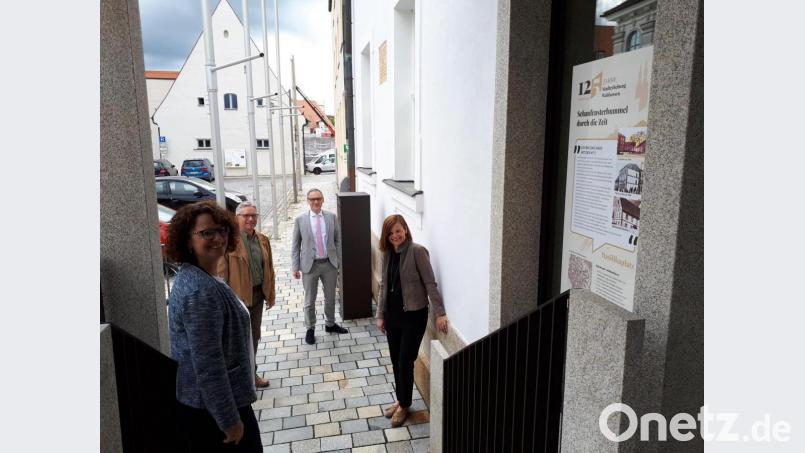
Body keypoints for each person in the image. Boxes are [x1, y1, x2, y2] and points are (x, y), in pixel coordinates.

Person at [166, 201, 261, 451]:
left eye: (222, 230)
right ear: (188, 240)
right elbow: (208, 366)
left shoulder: (203, 277)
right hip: (212, 413)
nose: (217, 238)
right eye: (207, 232)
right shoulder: (199, 291)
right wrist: (229, 421)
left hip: (217, 404)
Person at [375, 214, 450, 428]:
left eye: (398, 231)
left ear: (405, 230)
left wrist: (440, 313)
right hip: (393, 316)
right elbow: (382, 287)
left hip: (414, 316)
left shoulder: (418, 251)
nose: (395, 235)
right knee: (395, 360)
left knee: (405, 361)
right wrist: (380, 315)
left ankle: (405, 405)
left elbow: (430, 283)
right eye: (391, 233)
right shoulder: (387, 253)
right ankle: (401, 400)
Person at [218, 201, 276, 389]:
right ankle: (236, 377)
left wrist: (270, 293)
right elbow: (221, 274)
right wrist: (225, 301)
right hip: (237, 298)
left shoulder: (262, 239)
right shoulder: (229, 242)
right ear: (237, 218)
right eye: (246, 216)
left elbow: (269, 268)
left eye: (254, 215)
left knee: (254, 336)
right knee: (236, 339)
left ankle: (251, 373)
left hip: (258, 296)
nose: (251, 219)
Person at [291, 188, 348, 345]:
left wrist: (338, 261)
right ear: (308, 201)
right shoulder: (300, 220)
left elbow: (338, 240)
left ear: (323, 200)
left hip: (329, 264)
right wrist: (295, 266)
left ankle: (330, 324)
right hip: (310, 266)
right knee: (309, 301)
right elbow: (295, 245)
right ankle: (310, 328)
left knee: (330, 298)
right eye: (312, 199)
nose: (316, 202)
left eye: (318, 198)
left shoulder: (331, 217)